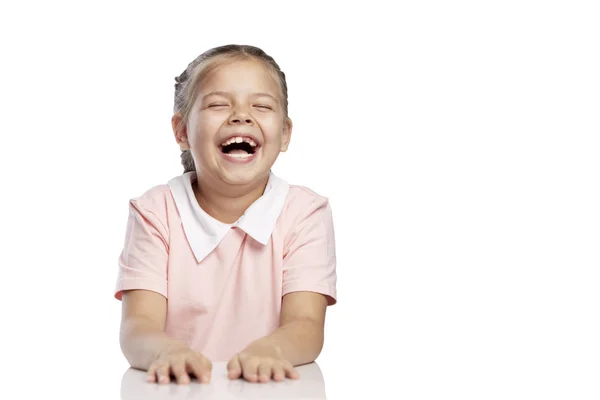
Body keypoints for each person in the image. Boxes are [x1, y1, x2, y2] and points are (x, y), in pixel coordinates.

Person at [114, 44, 337, 385]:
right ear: (182, 131)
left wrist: (272, 350)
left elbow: (306, 323)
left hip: (270, 391)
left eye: (261, 106)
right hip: (179, 391)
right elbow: (137, 325)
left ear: (285, 134)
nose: (241, 116)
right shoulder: (154, 211)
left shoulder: (305, 213)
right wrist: (165, 352)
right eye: (219, 104)